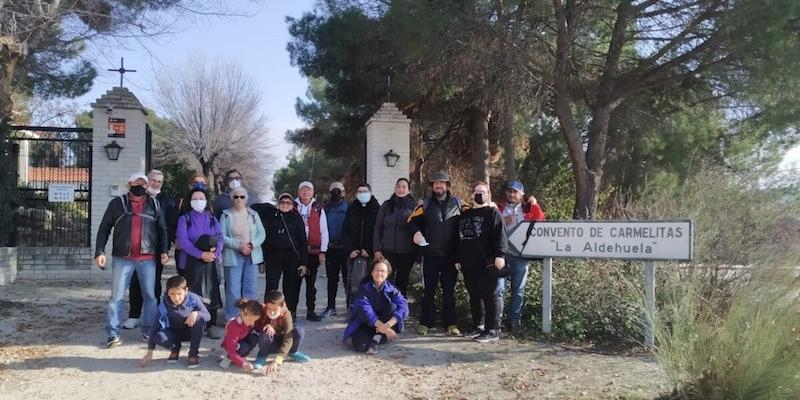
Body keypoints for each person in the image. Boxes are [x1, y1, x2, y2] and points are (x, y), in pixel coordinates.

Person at [95, 173, 170, 348]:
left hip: (148, 258)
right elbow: (104, 228)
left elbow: (163, 230)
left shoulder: (155, 205)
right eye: (137, 182)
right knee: (117, 297)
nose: (141, 186)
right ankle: (113, 334)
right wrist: (99, 251)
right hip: (123, 258)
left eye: (144, 183)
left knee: (151, 296)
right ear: (129, 184)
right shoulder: (117, 204)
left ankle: (149, 330)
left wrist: (164, 251)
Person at [407, 171, 462, 336]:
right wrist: (416, 233)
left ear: (447, 185)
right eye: (436, 183)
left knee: (449, 291)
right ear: (432, 186)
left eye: (442, 183)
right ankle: (426, 322)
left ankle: (450, 323)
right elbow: (411, 221)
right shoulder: (425, 204)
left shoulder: (459, 203)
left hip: (451, 257)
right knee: (428, 291)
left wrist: (491, 206)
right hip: (430, 255)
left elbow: (474, 214)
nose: (439, 185)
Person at [123, 169, 177, 330]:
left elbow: (169, 226)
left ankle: (153, 316)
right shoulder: (137, 198)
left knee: (154, 284)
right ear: (147, 180)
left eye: (159, 181)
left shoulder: (168, 201)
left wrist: (165, 250)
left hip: (157, 249)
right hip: (136, 248)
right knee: (135, 282)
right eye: (153, 180)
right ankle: (134, 315)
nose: (156, 183)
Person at [456, 182, 508, 343]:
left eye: (483, 192)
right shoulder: (465, 215)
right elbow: (458, 238)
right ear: (472, 194)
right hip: (468, 262)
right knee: (474, 295)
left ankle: (492, 330)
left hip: (487, 262)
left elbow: (501, 234)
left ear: (488, 195)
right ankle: (478, 325)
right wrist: (457, 258)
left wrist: (500, 255)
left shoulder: (493, 213)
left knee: (490, 295)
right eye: (477, 191)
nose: (479, 194)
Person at [495, 180, 545, 332]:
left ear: (521, 194)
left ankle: (514, 322)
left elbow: (540, 219)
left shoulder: (526, 209)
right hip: (501, 255)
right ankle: (496, 322)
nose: (512, 194)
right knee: (499, 289)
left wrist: (534, 204)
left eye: (515, 192)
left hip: (521, 256)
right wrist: (504, 221)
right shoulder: (499, 208)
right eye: (510, 191)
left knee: (518, 290)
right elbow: (490, 225)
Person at [175, 187, 224, 338]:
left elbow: (220, 237)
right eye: (195, 199)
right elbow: (182, 241)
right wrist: (200, 254)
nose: (198, 201)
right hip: (191, 262)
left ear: (206, 201)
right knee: (192, 294)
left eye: (201, 198)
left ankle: (211, 324)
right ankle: (194, 324)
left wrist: (214, 254)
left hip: (210, 262)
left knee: (211, 291)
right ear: (190, 201)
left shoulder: (212, 219)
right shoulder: (185, 219)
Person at [139, 275, 210, 368]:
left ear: (186, 291)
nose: (176, 298)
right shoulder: (164, 305)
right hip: (174, 332)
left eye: (179, 294)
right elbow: (155, 328)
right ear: (168, 293)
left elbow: (208, 316)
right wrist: (150, 352)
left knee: (199, 320)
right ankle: (175, 348)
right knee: (158, 337)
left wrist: (196, 313)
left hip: (191, 331)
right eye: (172, 294)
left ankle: (193, 354)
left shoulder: (193, 298)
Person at [256, 193, 308, 316]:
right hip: (273, 256)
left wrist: (304, 263)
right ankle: (269, 312)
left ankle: (290, 313)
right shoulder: (270, 217)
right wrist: (262, 261)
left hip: (292, 256)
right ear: (278, 204)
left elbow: (303, 242)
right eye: (282, 202)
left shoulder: (297, 218)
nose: (285, 204)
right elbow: (264, 239)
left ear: (292, 205)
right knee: (271, 286)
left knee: (291, 287)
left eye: (288, 202)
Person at [342, 259, 409, 354]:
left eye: (383, 271)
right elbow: (365, 311)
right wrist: (383, 327)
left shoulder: (392, 289)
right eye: (377, 270)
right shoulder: (363, 288)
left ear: (387, 274)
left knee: (393, 306)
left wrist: (388, 325)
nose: (380, 273)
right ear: (372, 272)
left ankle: (376, 339)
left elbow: (404, 306)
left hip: (385, 321)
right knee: (361, 346)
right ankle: (380, 335)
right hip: (365, 322)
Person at [220, 187, 266, 320]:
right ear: (231, 198)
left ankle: (250, 318)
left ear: (246, 198)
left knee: (250, 288)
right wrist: (238, 245)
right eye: (236, 197)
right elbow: (221, 236)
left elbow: (261, 233)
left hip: (251, 255)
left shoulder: (253, 214)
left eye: (242, 196)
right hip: (233, 255)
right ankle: (232, 318)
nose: (239, 199)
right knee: (233, 289)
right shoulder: (225, 215)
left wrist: (251, 245)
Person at [373, 178, 417, 297]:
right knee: (386, 280)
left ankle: (399, 309)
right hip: (387, 251)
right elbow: (378, 227)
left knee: (402, 282)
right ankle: (386, 308)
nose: (401, 189)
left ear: (408, 190)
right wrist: (376, 249)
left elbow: (419, 228)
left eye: (404, 187)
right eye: (398, 186)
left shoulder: (414, 206)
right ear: (395, 188)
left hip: (407, 252)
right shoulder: (387, 205)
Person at [294, 181, 329, 322]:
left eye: (309, 190)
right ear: (299, 192)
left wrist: (323, 251)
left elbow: (324, 231)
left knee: (311, 284)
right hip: (296, 252)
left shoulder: (318, 209)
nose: (306, 192)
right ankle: (292, 312)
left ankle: (310, 310)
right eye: (303, 190)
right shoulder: (293, 207)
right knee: (294, 283)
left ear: (313, 192)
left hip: (313, 252)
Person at [253, 290, 311, 373]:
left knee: (299, 331)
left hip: (283, 342)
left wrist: (277, 360)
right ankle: (262, 355)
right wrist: (264, 326)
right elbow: (255, 325)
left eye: (275, 309)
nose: (272, 312)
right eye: (269, 308)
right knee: (265, 332)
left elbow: (288, 338)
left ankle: (293, 352)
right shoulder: (262, 310)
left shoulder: (286, 315)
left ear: (281, 306)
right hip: (270, 344)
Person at [342, 183, 380, 303]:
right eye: (360, 191)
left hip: (370, 254)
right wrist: (350, 249)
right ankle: (352, 307)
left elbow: (379, 232)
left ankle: (370, 308)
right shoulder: (352, 208)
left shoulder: (377, 209)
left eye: (365, 191)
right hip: (354, 253)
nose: (362, 193)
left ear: (370, 193)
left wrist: (369, 250)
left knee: (371, 282)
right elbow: (345, 231)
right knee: (352, 282)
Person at [321, 181, 349, 318]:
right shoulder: (324, 209)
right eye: (333, 190)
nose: (336, 192)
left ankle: (351, 307)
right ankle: (331, 307)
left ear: (344, 193)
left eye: (339, 190)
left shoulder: (349, 207)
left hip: (345, 250)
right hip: (331, 249)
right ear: (329, 192)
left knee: (347, 280)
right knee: (332, 280)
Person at [219, 298, 262, 372]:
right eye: (250, 320)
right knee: (244, 347)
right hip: (230, 346)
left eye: (254, 321)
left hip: (241, 339)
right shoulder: (234, 326)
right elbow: (231, 348)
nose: (252, 323)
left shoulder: (248, 320)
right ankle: (229, 357)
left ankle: (240, 356)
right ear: (242, 313)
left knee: (254, 338)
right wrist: (243, 364)